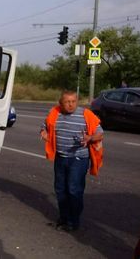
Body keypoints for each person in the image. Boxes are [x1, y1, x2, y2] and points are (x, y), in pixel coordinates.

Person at [40, 90, 104, 232]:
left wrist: (90, 138)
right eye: (67, 102)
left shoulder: (86, 114)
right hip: (61, 158)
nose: (70, 105)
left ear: (77, 101)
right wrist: (43, 132)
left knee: (74, 189)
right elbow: (45, 126)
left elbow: (100, 133)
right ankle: (63, 218)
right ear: (60, 103)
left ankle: (73, 221)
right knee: (60, 189)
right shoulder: (54, 113)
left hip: (79, 159)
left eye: (73, 101)